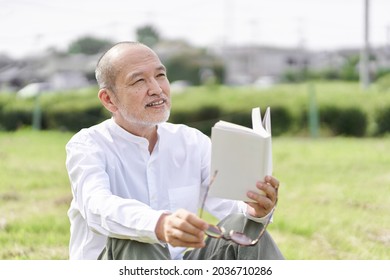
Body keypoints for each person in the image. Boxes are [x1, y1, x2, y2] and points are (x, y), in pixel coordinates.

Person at [65, 41, 284, 260]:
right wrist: (159, 225)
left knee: (245, 225)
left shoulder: (192, 142)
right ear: (109, 99)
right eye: (139, 80)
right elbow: (96, 206)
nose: (157, 89)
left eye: (160, 76)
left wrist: (256, 211)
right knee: (138, 236)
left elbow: (232, 208)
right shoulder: (87, 145)